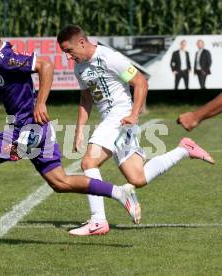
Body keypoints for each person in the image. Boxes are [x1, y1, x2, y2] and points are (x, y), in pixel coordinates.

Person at [0, 19, 141, 239]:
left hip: (27, 134)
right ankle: (120, 192)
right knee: (60, 182)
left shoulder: (8, 58)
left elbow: (46, 65)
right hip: (38, 133)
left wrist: (40, 103)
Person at [57, 25, 214, 236]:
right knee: (137, 178)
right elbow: (86, 99)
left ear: (82, 42)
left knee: (88, 162)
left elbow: (140, 82)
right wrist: (79, 131)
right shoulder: (79, 67)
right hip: (114, 121)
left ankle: (98, 221)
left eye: (69, 51)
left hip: (120, 115)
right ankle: (184, 149)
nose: (68, 57)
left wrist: (133, 114)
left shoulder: (109, 57)